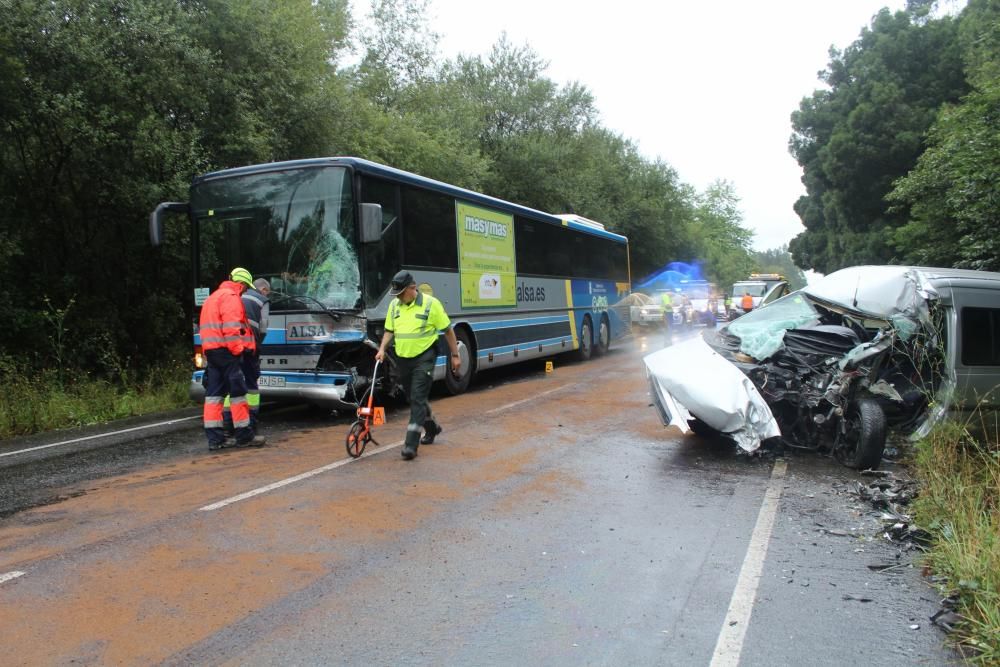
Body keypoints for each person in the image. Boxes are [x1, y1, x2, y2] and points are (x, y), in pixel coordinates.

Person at [375, 270, 461, 460]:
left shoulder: (431, 305)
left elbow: (448, 331)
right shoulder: (394, 306)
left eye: (400, 293)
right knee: (414, 398)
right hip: (403, 359)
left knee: (417, 398)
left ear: (412, 288)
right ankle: (432, 427)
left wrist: (455, 355)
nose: (396, 297)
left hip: (425, 357)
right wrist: (382, 349)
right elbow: (389, 330)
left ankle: (410, 446)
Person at [199, 268, 263, 450]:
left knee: (214, 395)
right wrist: (238, 351)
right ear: (241, 285)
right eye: (245, 288)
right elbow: (231, 328)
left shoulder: (213, 297)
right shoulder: (231, 297)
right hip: (227, 352)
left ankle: (215, 440)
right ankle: (244, 437)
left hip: (212, 352)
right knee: (239, 393)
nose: (244, 292)